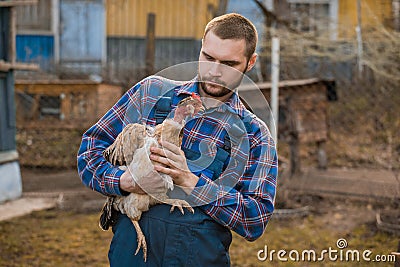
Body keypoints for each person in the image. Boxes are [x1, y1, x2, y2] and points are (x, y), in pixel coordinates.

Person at [77, 13, 278, 266]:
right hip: (133, 254)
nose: (214, 72)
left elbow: (255, 219)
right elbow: (89, 153)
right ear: (201, 47)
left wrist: (190, 181)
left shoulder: (253, 134)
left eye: (228, 64)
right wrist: (126, 181)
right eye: (208, 58)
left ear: (250, 63)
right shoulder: (151, 94)